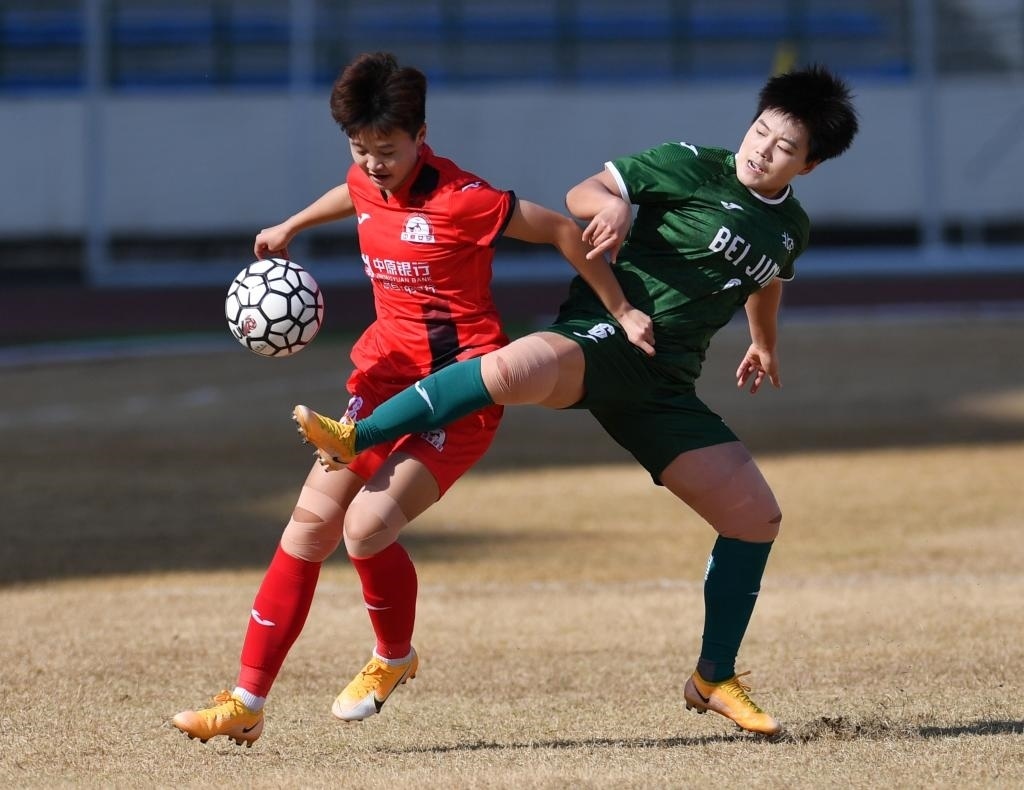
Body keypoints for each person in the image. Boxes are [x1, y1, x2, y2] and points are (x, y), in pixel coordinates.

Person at [293, 64, 859, 738]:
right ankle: (359, 435)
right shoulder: (689, 165)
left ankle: (713, 677)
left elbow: (767, 278)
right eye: (760, 130)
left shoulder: (790, 227)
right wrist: (611, 205)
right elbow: (582, 194)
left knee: (755, 519)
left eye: (784, 147)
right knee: (513, 367)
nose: (761, 149)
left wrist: (764, 343)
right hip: (608, 334)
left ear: (809, 165)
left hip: (663, 384)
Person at [172, 52, 653, 747]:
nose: (373, 165)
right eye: (360, 149)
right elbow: (352, 193)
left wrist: (623, 308)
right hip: (380, 381)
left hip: (459, 394)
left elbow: (558, 230)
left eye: (387, 151)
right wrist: (293, 225)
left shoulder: (465, 198)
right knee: (307, 530)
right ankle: (246, 701)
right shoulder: (365, 178)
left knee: (364, 530)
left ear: (421, 135)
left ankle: (393, 657)